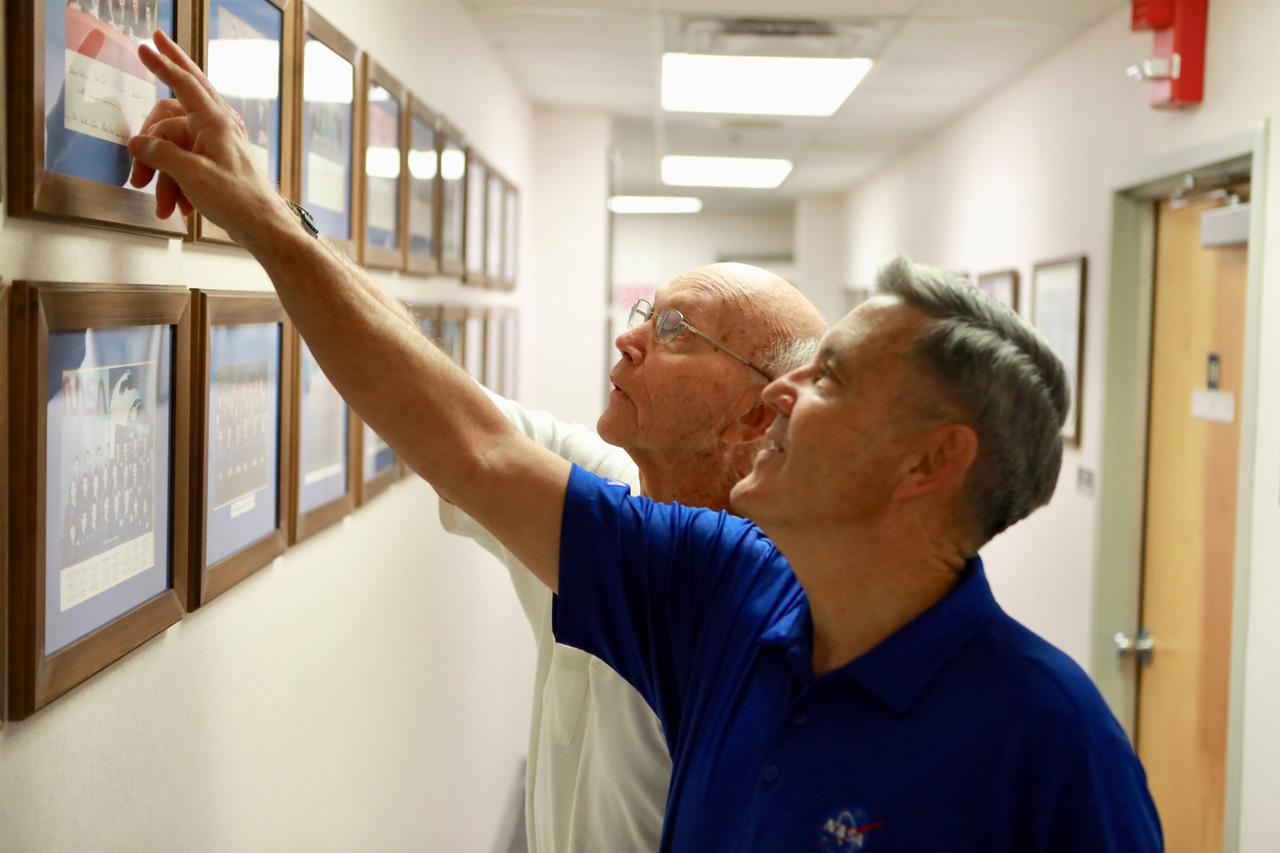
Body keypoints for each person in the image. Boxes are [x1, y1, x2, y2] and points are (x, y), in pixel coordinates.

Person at [126, 32, 1162, 850]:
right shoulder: (722, 591)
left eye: (832, 377)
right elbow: (466, 438)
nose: (785, 392)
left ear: (930, 460)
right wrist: (264, 214)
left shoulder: (1050, 742)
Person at [439, 263, 823, 852]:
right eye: (648, 313)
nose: (628, 338)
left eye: (676, 329)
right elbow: (437, 407)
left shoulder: (775, 609)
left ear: (754, 416)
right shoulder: (603, 486)